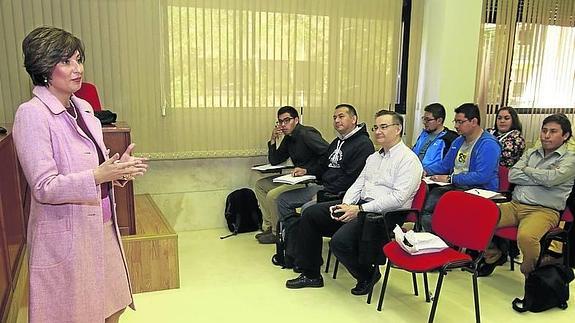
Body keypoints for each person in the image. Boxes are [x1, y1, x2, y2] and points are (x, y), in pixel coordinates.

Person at [13, 26, 148, 323]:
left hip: (102, 226)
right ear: (44, 69)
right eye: (66, 62)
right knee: (79, 314)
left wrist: (118, 170)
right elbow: (43, 186)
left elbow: (95, 167)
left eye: (78, 59)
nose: (77, 69)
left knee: (114, 305)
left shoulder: (84, 108)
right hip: (66, 234)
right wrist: (99, 176)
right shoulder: (32, 114)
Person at [285, 110, 422, 295]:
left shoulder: (409, 160)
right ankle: (311, 274)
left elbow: (398, 198)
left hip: (385, 215)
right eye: (376, 127)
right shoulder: (373, 157)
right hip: (362, 207)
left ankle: (368, 275)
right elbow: (358, 185)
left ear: (398, 129)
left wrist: (359, 209)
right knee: (311, 214)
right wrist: (346, 205)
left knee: (340, 242)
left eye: (384, 127)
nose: (378, 131)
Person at [479, 114, 575, 277]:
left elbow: (552, 179)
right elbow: (513, 176)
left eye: (553, 131)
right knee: (480, 217)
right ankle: (494, 254)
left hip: (544, 211)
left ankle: (531, 273)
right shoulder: (531, 153)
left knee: (526, 238)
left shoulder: (570, 159)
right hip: (515, 204)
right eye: (544, 130)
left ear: (565, 136)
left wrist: (528, 171)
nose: (546, 135)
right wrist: (543, 176)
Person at [274, 104, 374, 237]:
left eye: (341, 116)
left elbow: (351, 179)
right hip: (323, 188)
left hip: (339, 194)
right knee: (283, 200)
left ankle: (305, 246)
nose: (337, 120)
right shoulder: (336, 142)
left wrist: (322, 194)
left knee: (307, 209)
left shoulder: (363, 144)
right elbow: (323, 165)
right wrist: (307, 171)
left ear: (354, 119)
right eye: (334, 118)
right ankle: (292, 239)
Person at [254, 106, 329, 243]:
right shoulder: (289, 137)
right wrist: (272, 140)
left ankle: (278, 233)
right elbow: (275, 160)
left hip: (312, 179)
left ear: (296, 120)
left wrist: (307, 170)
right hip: (297, 178)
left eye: (286, 120)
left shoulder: (307, 134)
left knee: (273, 195)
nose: (283, 125)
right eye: (280, 121)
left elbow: (328, 155)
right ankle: (270, 226)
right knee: (261, 185)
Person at [421, 103, 501, 231]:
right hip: (457, 186)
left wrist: (450, 179)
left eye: (460, 122)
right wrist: (425, 170)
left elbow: (482, 176)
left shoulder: (488, 144)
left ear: (474, 121)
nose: (456, 126)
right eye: (455, 121)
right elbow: (444, 165)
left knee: (444, 205)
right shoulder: (459, 141)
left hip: (478, 189)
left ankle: (447, 241)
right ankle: (430, 238)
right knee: (428, 202)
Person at [412, 103, 458, 168]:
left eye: (428, 119)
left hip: (432, 175)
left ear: (439, 120)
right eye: (424, 118)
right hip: (414, 170)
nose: (424, 122)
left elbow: (446, 166)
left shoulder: (449, 139)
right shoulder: (424, 134)